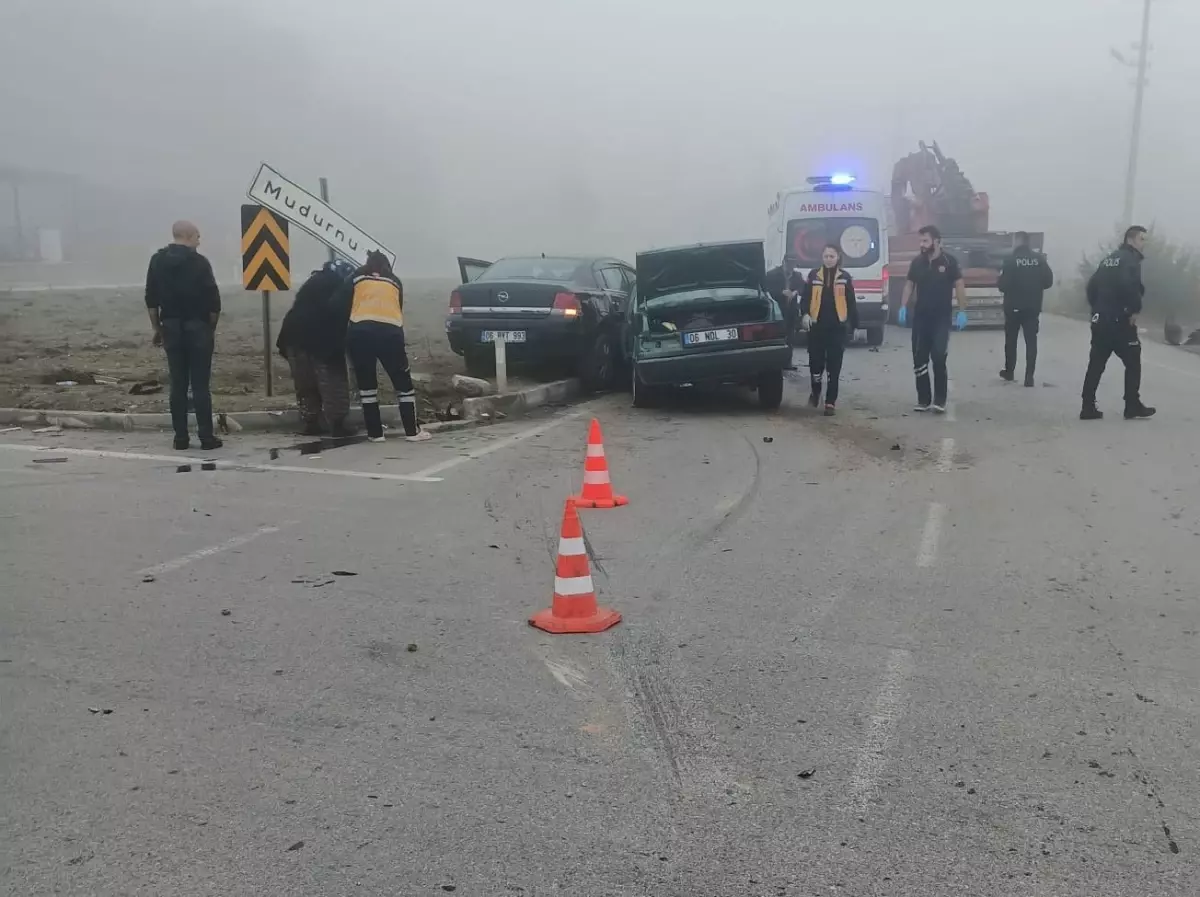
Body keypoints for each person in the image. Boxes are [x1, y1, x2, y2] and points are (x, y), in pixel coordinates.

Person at [334, 250, 431, 443]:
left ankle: (375, 434)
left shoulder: (356, 277)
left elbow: (338, 304)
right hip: (390, 333)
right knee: (403, 386)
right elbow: (398, 307)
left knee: (367, 387)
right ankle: (412, 432)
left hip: (360, 333)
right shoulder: (394, 281)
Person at [144, 220, 222, 451]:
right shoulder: (199, 263)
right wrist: (210, 329)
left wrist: (157, 328)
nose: (199, 241)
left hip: (171, 326)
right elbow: (214, 302)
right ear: (187, 236)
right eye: (197, 236)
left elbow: (151, 299)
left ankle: (180, 438)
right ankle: (206, 438)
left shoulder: (157, 261)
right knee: (200, 385)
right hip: (198, 327)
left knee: (177, 384)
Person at [1081, 225, 1156, 421]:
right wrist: (1133, 310)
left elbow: (1091, 286)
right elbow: (1129, 285)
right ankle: (1132, 405)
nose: (1144, 244)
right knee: (1133, 361)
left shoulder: (1108, 259)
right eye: (1142, 239)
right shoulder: (1130, 260)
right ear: (1130, 240)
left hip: (1100, 320)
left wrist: (1096, 308)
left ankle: (1087, 407)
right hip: (1119, 321)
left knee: (1096, 363)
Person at [278, 259, 356, 437]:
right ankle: (337, 425)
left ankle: (311, 423)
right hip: (322, 339)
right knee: (332, 382)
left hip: (292, 336)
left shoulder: (314, 282)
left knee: (305, 383)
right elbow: (339, 313)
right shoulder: (341, 286)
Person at [898, 225, 968, 413]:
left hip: (941, 319)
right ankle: (923, 399)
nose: (922, 244)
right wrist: (903, 306)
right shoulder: (917, 263)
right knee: (919, 359)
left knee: (938, 356)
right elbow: (909, 285)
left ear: (936, 241)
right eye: (920, 241)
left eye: (925, 241)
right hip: (921, 318)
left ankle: (939, 400)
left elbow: (959, 285)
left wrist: (962, 310)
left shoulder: (949, 261)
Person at [801, 244, 859, 415]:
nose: (828, 259)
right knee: (816, 365)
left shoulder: (845, 277)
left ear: (838, 257)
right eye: (826, 256)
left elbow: (851, 303)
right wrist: (804, 314)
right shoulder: (813, 276)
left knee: (834, 367)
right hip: (816, 327)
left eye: (832, 256)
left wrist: (854, 326)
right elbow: (805, 298)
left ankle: (830, 402)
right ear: (822, 257)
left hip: (837, 328)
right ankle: (816, 390)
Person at [997, 232, 1053, 387]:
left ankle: (1009, 371)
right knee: (1031, 342)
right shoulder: (1039, 260)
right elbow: (1048, 281)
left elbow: (1002, 285)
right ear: (1028, 243)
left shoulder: (1010, 261)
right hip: (1032, 306)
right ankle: (1029, 377)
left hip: (1013, 307)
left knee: (1011, 341)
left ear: (1017, 241)